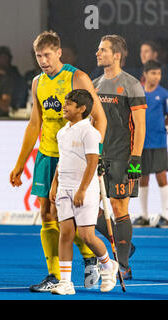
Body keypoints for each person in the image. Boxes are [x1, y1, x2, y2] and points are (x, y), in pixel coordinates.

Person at [9, 31, 107, 292]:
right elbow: (34, 123)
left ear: (59, 53)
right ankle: (55, 275)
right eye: (38, 56)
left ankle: (90, 257)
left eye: (47, 55)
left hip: (74, 158)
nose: (42, 60)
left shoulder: (77, 77)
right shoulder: (37, 82)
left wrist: (95, 155)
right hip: (48, 154)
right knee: (47, 214)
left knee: (74, 217)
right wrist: (20, 164)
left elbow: (100, 118)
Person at [49, 89, 119, 295]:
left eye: (69, 103)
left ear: (81, 109)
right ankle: (66, 283)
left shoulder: (89, 132)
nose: (64, 106)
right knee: (66, 234)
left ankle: (108, 265)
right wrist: (55, 184)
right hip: (64, 188)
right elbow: (62, 161)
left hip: (84, 190)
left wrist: (82, 189)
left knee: (87, 235)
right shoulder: (62, 132)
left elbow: (92, 163)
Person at [93, 34, 147, 280]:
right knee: (87, 212)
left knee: (118, 207)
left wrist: (136, 158)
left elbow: (140, 125)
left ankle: (122, 263)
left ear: (116, 55)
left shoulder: (131, 85)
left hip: (123, 157)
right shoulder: (93, 85)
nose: (97, 53)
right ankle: (124, 243)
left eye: (102, 50)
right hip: (98, 157)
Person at [134, 60, 168, 228]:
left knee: (161, 175)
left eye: (159, 73)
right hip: (141, 143)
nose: (157, 76)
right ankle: (144, 215)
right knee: (142, 177)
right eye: (153, 73)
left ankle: (166, 214)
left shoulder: (164, 94)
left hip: (159, 142)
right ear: (145, 74)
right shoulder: (138, 93)